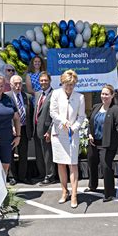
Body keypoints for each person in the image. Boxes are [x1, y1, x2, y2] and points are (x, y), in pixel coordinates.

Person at [86, 85, 118, 202]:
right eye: (102, 94)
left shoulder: (116, 110)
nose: (104, 96)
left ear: (112, 95)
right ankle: (92, 185)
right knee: (92, 163)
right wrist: (89, 134)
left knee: (105, 166)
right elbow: (90, 123)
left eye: (107, 94)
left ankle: (109, 192)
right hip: (93, 142)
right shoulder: (96, 107)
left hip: (107, 143)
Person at [50, 70, 86, 209]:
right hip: (59, 133)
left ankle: (74, 194)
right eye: (66, 84)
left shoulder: (80, 97)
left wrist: (74, 127)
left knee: (73, 164)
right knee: (61, 163)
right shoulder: (56, 94)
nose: (69, 87)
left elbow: (81, 117)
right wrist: (63, 122)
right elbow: (53, 112)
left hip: (72, 133)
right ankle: (64, 191)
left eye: (71, 84)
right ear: (62, 83)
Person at [6, 75, 33, 185]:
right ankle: (12, 176)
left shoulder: (27, 96)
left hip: (23, 128)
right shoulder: (6, 96)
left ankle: (23, 176)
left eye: (19, 83)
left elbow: (30, 113)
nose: (18, 86)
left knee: (23, 153)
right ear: (11, 84)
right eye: (15, 84)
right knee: (10, 154)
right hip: (11, 129)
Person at [33, 71, 56, 185]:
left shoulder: (54, 94)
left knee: (47, 154)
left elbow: (55, 115)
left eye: (45, 80)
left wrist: (50, 130)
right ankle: (42, 174)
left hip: (47, 129)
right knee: (39, 154)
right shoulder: (38, 94)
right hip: (36, 128)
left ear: (50, 81)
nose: (43, 82)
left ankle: (50, 176)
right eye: (41, 80)